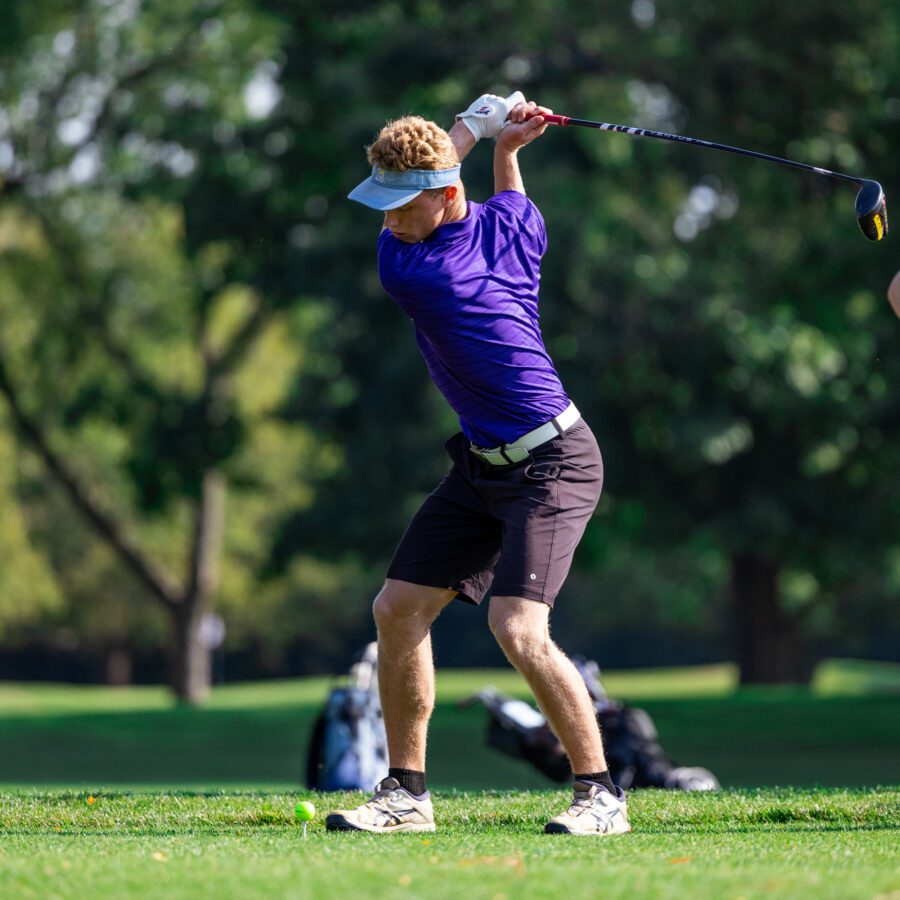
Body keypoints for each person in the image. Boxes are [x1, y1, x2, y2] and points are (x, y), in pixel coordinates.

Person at [326, 93, 630, 837]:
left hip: (554, 461)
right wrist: (510, 148)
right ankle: (406, 795)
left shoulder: (421, 274)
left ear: (446, 197)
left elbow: (456, 174)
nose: (388, 223)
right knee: (396, 610)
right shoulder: (510, 225)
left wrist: (477, 122)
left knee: (518, 627)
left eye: (401, 207)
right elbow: (499, 194)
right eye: (384, 208)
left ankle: (601, 797)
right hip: (483, 466)